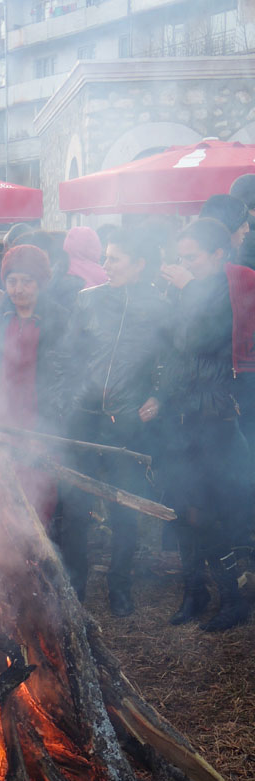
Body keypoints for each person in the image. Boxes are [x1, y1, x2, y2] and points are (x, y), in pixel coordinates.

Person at [59, 226, 172, 615]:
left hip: (127, 422)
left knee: (124, 507)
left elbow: (173, 361)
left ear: (139, 264)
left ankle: (119, 586)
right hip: (84, 420)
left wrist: (160, 396)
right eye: (105, 256)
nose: (105, 264)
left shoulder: (160, 306)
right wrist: (68, 400)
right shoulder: (87, 300)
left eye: (115, 258)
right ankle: (76, 583)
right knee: (76, 504)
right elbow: (68, 356)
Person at [158, 218, 252, 631]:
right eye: (181, 258)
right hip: (182, 419)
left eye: (192, 257)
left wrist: (187, 289)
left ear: (219, 255)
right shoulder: (188, 291)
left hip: (216, 421)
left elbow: (202, 338)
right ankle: (194, 593)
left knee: (217, 514)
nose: (185, 265)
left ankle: (234, 601)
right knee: (182, 509)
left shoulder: (235, 293)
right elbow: (173, 348)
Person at [0, 243, 68, 524]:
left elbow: (72, 374)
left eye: (27, 281)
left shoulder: (61, 320)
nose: (18, 289)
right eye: (12, 281)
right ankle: (10, 557)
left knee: (43, 492)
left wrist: (57, 420)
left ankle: (45, 555)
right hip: (0, 420)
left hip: (42, 422)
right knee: (4, 490)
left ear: (41, 283)